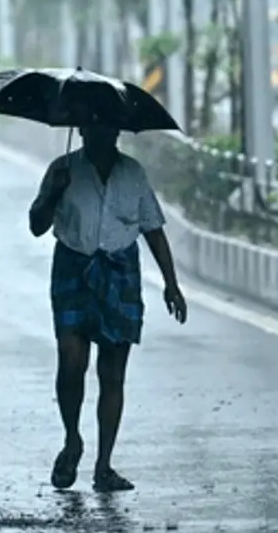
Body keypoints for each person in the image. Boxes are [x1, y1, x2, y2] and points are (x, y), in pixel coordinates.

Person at [28, 123, 187, 493]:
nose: (100, 134)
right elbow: (36, 225)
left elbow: (153, 229)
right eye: (94, 126)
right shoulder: (62, 169)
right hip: (72, 270)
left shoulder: (133, 174)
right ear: (82, 130)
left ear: (116, 132)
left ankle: (104, 466)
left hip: (120, 275)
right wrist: (53, 193)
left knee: (112, 374)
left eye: (107, 127)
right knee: (71, 361)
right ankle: (72, 440)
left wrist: (171, 283)